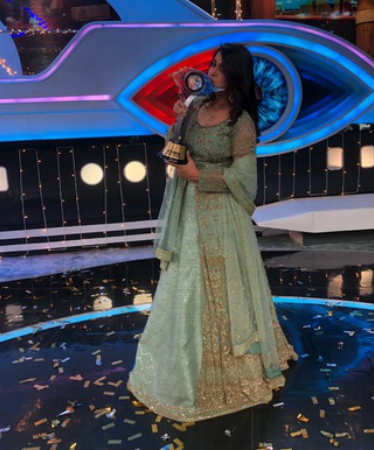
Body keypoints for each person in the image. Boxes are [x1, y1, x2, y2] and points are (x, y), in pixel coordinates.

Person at [127, 43, 298, 422]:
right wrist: (177, 122)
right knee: (186, 282)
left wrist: (199, 175)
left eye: (220, 67)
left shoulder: (241, 122)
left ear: (236, 75)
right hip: (188, 212)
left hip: (222, 214)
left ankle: (229, 368)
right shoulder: (195, 106)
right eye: (213, 64)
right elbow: (174, 149)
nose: (212, 71)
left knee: (224, 286)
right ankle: (182, 362)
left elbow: (245, 179)